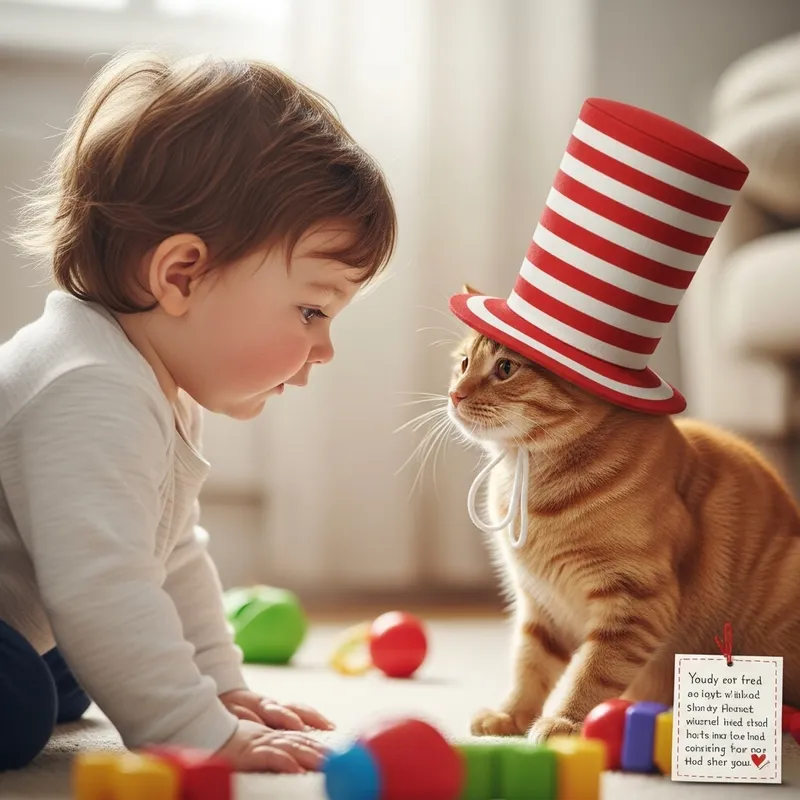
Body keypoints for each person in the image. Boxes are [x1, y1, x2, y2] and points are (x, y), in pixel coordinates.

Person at [0, 49, 397, 773]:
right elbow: (104, 584)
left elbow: (171, 555)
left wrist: (220, 689)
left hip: (25, 607)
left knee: (90, 655)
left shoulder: (146, 381)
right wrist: (198, 730)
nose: (324, 348)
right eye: (311, 310)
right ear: (181, 274)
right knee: (23, 698)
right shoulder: (90, 388)